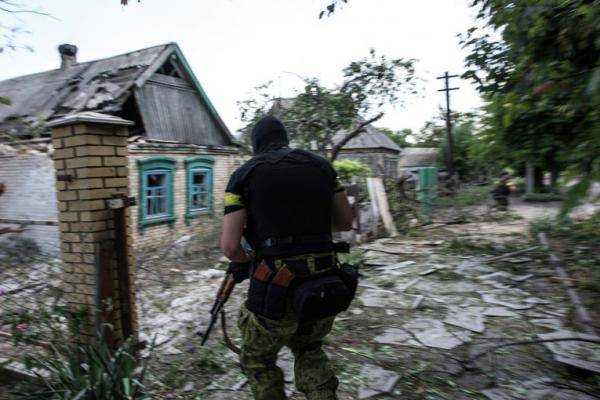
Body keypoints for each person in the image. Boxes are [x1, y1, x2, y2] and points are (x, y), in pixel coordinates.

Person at [220, 116, 354, 400]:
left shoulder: (243, 176)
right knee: (309, 348)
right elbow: (344, 222)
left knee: (258, 359)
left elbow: (231, 247)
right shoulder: (322, 167)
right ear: (285, 138)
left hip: (276, 288)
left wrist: (249, 259)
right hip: (324, 282)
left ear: (255, 145)